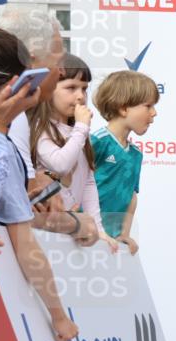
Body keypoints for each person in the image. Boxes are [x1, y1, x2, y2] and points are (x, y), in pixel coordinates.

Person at [0, 26, 77, 341]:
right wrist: (59, 316)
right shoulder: (0, 144)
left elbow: (26, 244)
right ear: (11, 88)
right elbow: (25, 245)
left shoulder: (4, 146)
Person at [30, 53, 117, 252]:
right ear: (50, 88)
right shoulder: (40, 127)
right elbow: (60, 164)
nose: (80, 96)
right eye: (71, 88)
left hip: (71, 228)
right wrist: (80, 128)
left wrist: (97, 227)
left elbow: (88, 181)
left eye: (84, 89)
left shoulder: (80, 132)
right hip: (45, 230)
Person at [0, 6, 65, 210]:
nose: (61, 72)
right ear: (31, 61)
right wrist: (79, 225)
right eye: (58, 61)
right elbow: (22, 212)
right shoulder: (12, 117)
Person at [90, 70, 159, 254]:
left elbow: (131, 197)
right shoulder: (97, 142)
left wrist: (124, 234)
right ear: (123, 108)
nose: (154, 113)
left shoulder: (136, 154)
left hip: (111, 242)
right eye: (148, 106)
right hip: (85, 236)